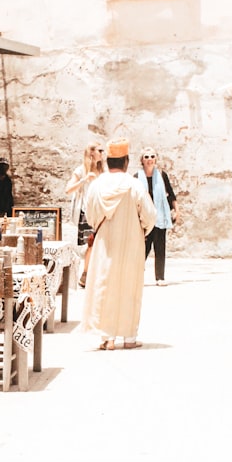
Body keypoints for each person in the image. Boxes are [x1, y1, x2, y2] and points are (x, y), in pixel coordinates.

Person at [80, 139, 156, 350]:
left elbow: (90, 214)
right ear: (126, 161)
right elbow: (149, 216)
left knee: (105, 286)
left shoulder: (97, 185)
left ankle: (108, 337)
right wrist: (140, 231)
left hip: (105, 244)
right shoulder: (135, 185)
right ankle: (129, 337)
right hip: (132, 245)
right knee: (129, 288)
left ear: (108, 162)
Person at [135, 147, 178, 286]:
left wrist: (177, 210)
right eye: (146, 157)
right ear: (142, 160)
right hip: (144, 218)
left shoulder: (161, 175)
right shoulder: (136, 177)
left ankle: (160, 277)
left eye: (152, 156)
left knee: (160, 247)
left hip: (160, 216)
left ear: (156, 159)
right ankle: (135, 276)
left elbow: (170, 194)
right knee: (143, 248)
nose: (149, 159)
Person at [66, 142, 104, 287]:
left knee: (99, 244)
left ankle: (90, 274)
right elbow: (68, 189)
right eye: (100, 150)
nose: (102, 153)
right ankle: (86, 274)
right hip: (86, 213)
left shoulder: (102, 172)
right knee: (91, 244)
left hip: (101, 213)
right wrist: (84, 180)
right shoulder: (81, 170)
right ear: (92, 153)